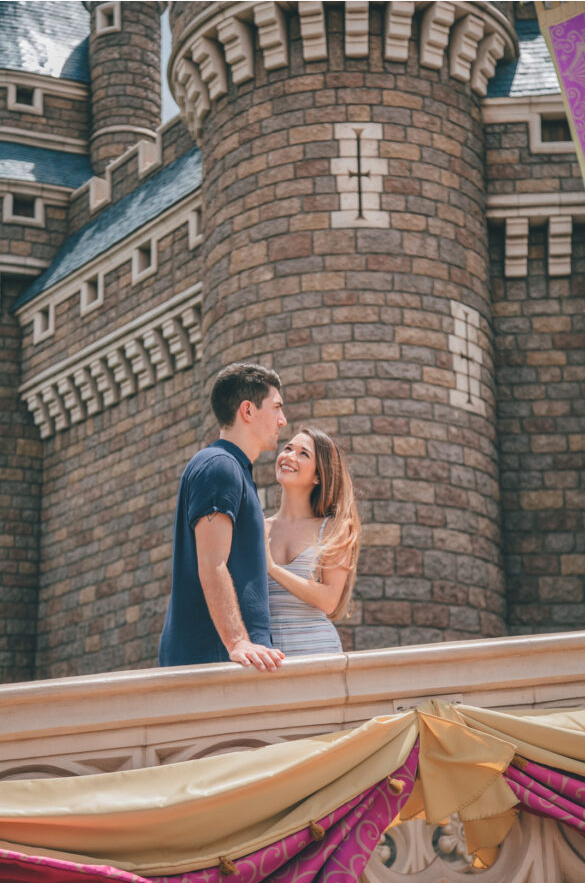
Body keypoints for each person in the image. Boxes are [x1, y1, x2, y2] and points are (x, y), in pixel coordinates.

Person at [159, 363, 287, 671]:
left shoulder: (232, 469)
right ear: (247, 410)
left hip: (235, 659)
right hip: (217, 659)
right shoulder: (220, 466)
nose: (283, 420)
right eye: (277, 408)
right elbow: (212, 562)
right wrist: (237, 641)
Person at [264, 426, 361, 656]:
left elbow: (329, 601)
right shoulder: (258, 526)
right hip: (268, 659)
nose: (289, 456)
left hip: (318, 653)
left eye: (303, 453)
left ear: (318, 475)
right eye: (288, 448)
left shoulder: (334, 529)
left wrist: (272, 569)